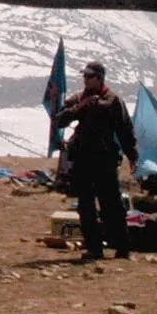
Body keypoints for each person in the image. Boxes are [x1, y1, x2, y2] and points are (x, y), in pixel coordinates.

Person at [60, 60, 136, 261]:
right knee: (86, 206)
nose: (85, 80)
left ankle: (122, 247)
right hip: (83, 160)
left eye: (89, 76)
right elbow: (60, 119)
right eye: (84, 76)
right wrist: (79, 108)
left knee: (112, 205)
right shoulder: (79, 99)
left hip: (105, 160)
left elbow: (125, 130)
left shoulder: (113, 101)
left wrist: (133, 156)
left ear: (99, 78)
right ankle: (94, 247)